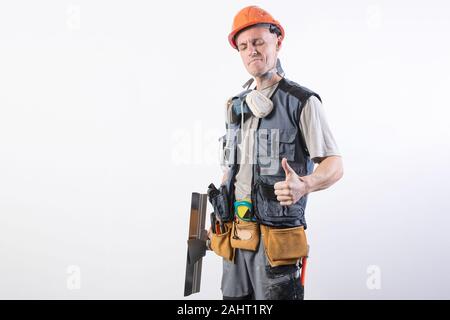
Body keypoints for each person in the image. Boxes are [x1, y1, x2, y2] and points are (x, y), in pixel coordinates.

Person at [208, 5, 343, 300]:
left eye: (257, 42)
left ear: (277, 41)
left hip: (275, 243)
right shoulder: (234, 106)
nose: (250, 51)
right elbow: (229, 167)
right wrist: (216, 216)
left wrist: (305, 184)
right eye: (243, 46)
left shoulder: (301, 102)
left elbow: (334, 164)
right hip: (234, 238)